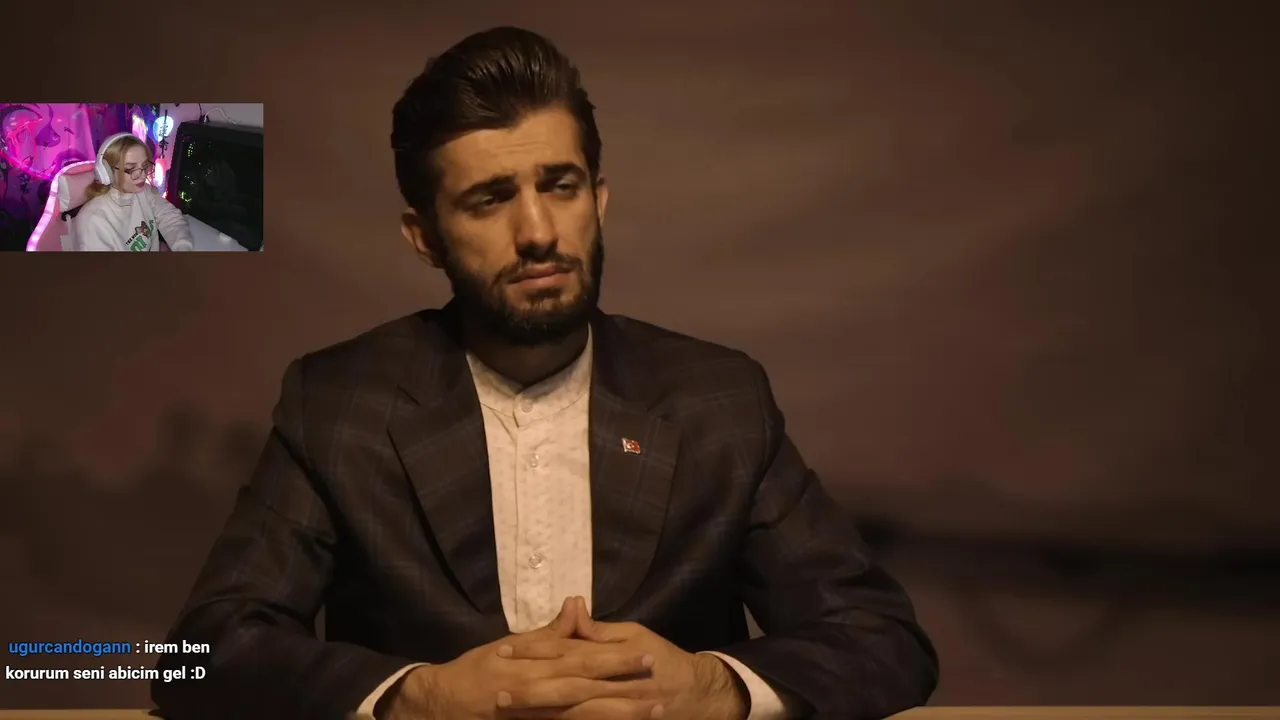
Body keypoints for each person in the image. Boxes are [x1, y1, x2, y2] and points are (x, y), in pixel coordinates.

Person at [152, 26, 938, 720]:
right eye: (490, 200)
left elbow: (882, 639)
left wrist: (711, 689)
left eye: (560, 187)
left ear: (599, 199)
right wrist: (418, 699)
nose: (537, 232)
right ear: (425, 237)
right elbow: (200, 655)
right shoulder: (338, 404)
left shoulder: (719, 401)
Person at [74, 132, 194, 251]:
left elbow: (169, 217)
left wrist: (182, 247)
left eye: (145, 166)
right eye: (131, 169)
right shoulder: (92, 223)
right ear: (107, 172)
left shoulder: (144, 191)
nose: (143, 176)